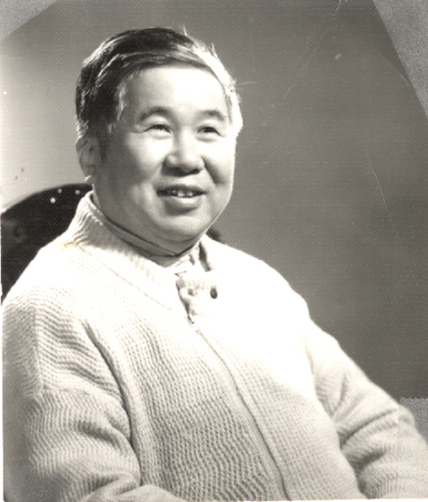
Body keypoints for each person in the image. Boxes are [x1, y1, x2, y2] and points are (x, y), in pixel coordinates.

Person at [3, 28, 428, 502]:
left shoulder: (256, 281)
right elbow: (92, 494)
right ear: (91, 152)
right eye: (158, 127)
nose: (188, 158)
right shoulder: (48, 308)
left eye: (208, 130)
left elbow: (378, 428)